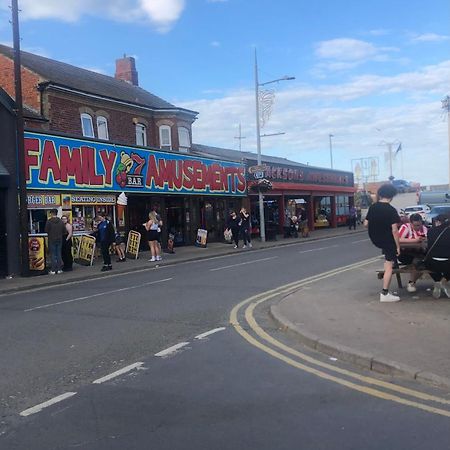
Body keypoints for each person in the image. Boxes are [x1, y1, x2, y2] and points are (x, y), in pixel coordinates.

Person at [364, 184, 401, 302]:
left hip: (375, 238)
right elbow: (394, 230)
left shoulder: (373, 207)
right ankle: (385, 293)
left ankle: (386, 291)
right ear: (391, 196)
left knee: (388, 261)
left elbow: (365, 224)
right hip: (388, 240)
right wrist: (398, 246)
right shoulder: (391, 210)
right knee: (389, 265)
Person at [398, 213, 428, 293]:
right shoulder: (405, 227)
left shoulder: (424, 228)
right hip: (405, 253)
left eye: (419, 225)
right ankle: (412, 282)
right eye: (415, 225)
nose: (418, 227)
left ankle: (412, 282)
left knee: (422, 262)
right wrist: (414, 241)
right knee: (417, 262)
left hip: (419, 252)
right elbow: (398, 239)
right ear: (410, 223)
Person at [424, 214, 450, 299]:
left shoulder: (430, 231)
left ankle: (437, 281)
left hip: (432, 262)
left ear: (438, 222)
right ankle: (444, 280)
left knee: (427, 262)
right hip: (448, 263)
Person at [45, 209, 65, 275]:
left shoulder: (49, 221)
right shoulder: (61, 222)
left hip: (51, 239)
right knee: (59, 254)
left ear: (51, 213)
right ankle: (59, 269)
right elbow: (64, 231)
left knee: (53, 255)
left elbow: (46, 230)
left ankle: (53, 270)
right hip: (59, 239)